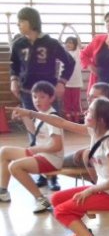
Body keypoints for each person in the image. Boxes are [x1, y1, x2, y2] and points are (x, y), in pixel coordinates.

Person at [11, 98, 109, 236]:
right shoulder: (94, 131)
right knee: (56, 199)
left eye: (90, 111)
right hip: (104, 189)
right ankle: (82, 233)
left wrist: (90, 190)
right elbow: (61, 122)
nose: (85, 112)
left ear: (101, 120)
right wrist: (30, 113)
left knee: (61, 211)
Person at [10, 7, 75, 193]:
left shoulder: (50, 43)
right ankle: (38, 170)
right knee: (34, 133)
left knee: (52, 133)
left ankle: (52, 175)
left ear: (31, 22)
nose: (18, 24)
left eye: (22, 21)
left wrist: (62, 82)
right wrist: (14, 80)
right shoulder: (18, 43)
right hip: (27, 93)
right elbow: (14, 65)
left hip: (47, 93)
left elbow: (69, 62)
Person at [0, 81, 64, 213]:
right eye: (34, 97)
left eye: (42, 97)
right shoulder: (41, 114)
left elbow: (57, 146)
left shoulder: (52, 117)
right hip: (41, 155)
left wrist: (36, 149)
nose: (37, 100)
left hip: (51, 159)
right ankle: (3, 192)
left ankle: (41, 199)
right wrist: (24, 116)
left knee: (15, 167)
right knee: (4, 151)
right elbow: (35, 131)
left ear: (52, 98)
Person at [80, 10, 109, 93]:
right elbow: (83, 54)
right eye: (107, 21)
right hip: (98, 84)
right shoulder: (98, 39)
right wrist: (91, 67)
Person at [58, 24, 84, 123]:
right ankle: (69, 122)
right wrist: (63, 28)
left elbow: (79, 41)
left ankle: (76, 122)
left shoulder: (77, 52)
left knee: (75, 103)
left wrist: (72, 28)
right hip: (65, 82)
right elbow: (58, 41)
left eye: (71, 43)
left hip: (76, 82)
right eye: (67, 43)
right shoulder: (62, 53)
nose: (68, 44)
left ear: (74, 44)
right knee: (67, 103)